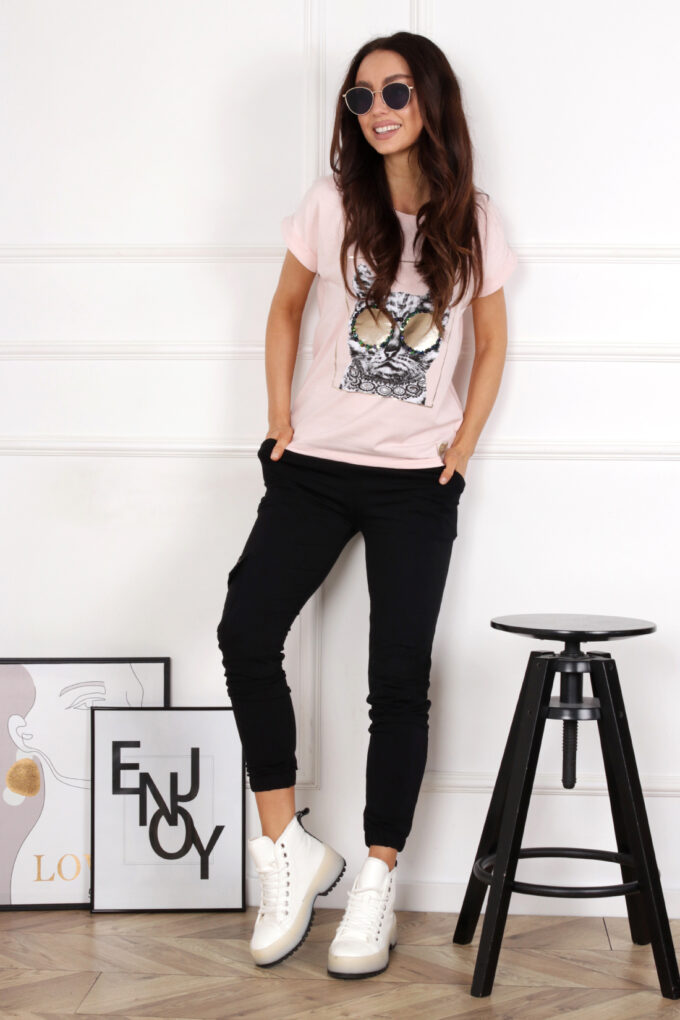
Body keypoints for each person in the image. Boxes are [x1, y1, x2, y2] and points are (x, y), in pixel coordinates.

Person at [217, 30, 518, 979]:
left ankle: (377, 878)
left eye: (394, 91)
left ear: (430, 99)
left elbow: (492, 343)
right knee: (245, 629)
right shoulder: (332, 202)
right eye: (360, 97)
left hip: (415, 486)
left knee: (398, 681)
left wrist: (460, 450)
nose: (377, 110)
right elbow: (283, 308)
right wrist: (279, 419)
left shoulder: (474, 220)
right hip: (312, 467)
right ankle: (287, 850)